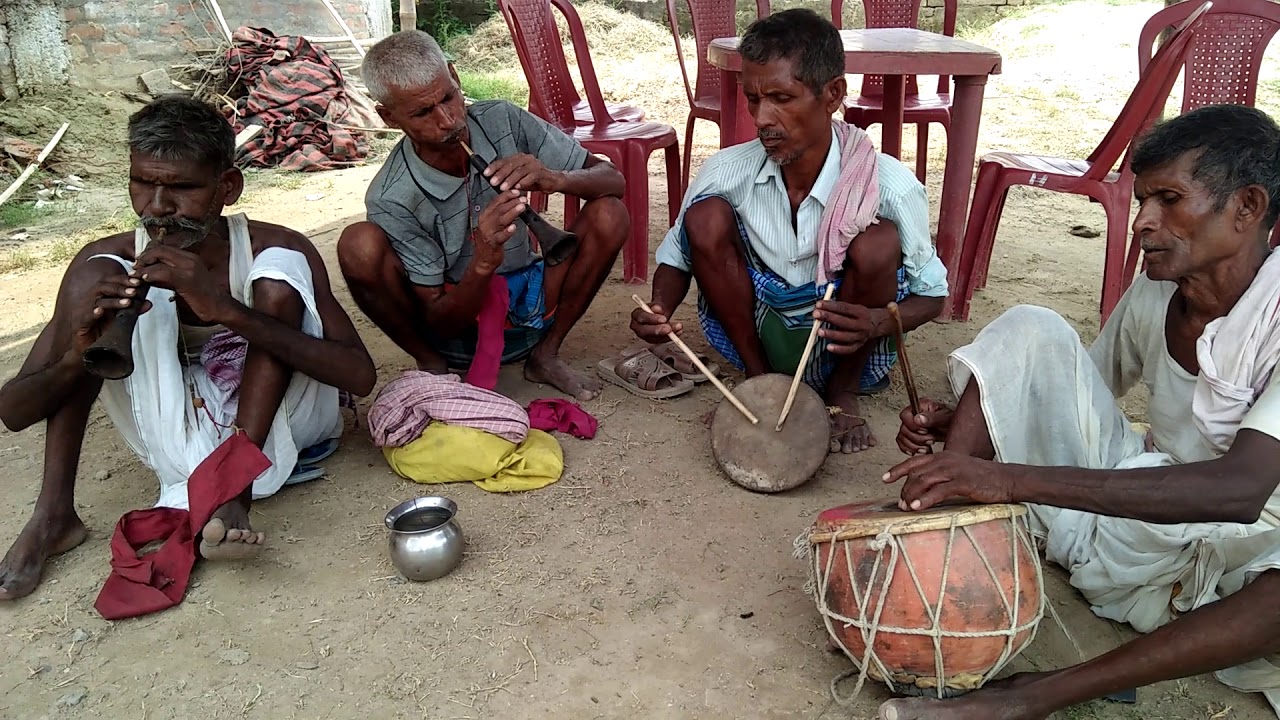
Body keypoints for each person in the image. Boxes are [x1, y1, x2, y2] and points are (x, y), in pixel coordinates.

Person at [879, 104, 1280, 719]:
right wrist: (979, 412)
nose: (1143, 222)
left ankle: (1032, 696)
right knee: (1031, 328)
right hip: (1144, 515)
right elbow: (1077, 389)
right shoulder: (1157, 288)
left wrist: (1006, 478)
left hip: (1248, 558)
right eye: (1142, 201)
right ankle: (946, 546)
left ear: (1247, 207)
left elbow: (1240, 492)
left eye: (1169, 199)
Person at [0, 95, 376, 601]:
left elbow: (359, 377)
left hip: (283, 425)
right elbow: (14, 412)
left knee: (278, 277)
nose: (157, 207)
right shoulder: (110, 261)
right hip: (175, 435)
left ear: (228, 187)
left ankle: (234, 491)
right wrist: (80, 353)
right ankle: (53, 515)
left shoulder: (275, 245)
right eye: (143, 183)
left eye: (182, 188)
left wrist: (228, 311)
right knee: (94, 285)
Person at [628, 9, 948, 453]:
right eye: (753, 99)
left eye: (781, 98)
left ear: (832, 94)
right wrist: (659, 307)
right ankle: (759, 380)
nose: (762, 118)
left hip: (848, 342)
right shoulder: (725, 171)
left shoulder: (888, 185)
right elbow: (675, 260)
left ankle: (842, 393)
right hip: (760, 333)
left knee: (877, 242)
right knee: (705, 217)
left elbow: (933, 296)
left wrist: (875, 322)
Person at [338, 30, 630, 402]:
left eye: (449, 97)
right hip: (456, 331)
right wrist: (483, 260)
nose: (448, 121)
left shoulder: (501, 118)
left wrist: (555, 178)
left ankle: (546, 353)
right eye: (423, 113)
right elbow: (442, 322)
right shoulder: (391, 196)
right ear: (388, 117)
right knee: (358, 244)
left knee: (609, 213)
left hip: (529, 298)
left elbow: (613, 180)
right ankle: (433, 366)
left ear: (455, 76)